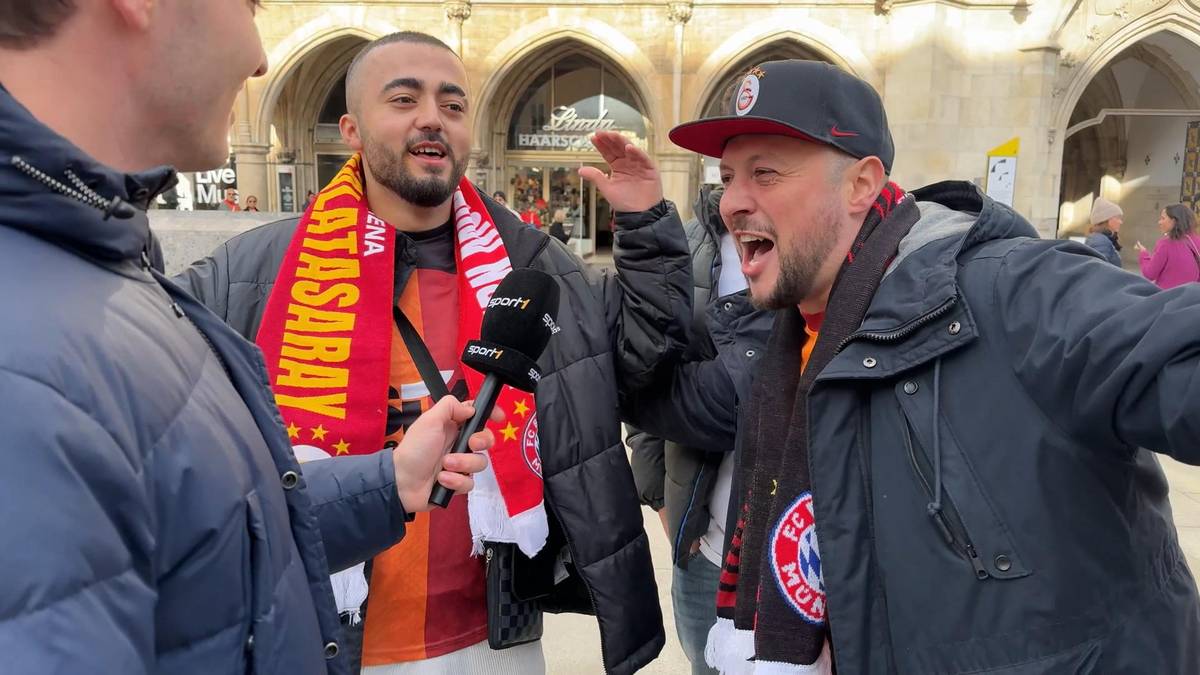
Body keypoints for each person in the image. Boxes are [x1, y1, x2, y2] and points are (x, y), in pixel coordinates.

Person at [628, 59, 1200, 673]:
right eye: (727, 176)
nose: (731, 203)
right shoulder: (776, 339)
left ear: (861, 185)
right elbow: (663, 391)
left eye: (765, 173)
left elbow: (1168, 353)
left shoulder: (1013, 289)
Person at [0, 3, 496, 674]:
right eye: (250, 4)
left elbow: (223, 529)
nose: (261, 57)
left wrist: (389, 479)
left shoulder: (104, 265)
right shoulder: (32, 339)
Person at [177, 31, 688, 675]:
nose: (432, 118)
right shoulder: (255, 272)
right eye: (403, 98)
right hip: (329, 642)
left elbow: (643, 359)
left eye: (452, 104)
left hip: (495, 640)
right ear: (352, 130)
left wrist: (645, 227)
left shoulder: (533, 265)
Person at [626, 184, 772, 675]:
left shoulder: (839, 252)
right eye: (733, 169)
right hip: (706, 550)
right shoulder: (689, 247)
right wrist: (666, 508)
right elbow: (652, 382)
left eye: (769, 167)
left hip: (801, 562)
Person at [1135, 203, 1200, 289]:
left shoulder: (1165, 244)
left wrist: (1143, 254)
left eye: (1163, 218)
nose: (1159, 222)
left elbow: (1150, 274)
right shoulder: (1197, 241)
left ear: (1174, 221)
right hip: (1191, 298)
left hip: (1168, 297)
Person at [1084, 197, 1123, 266]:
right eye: (1118, 218)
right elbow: (1098, 270)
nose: (1121, 222)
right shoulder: (1100, 241)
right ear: (1108, 220)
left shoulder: (1101, 239)